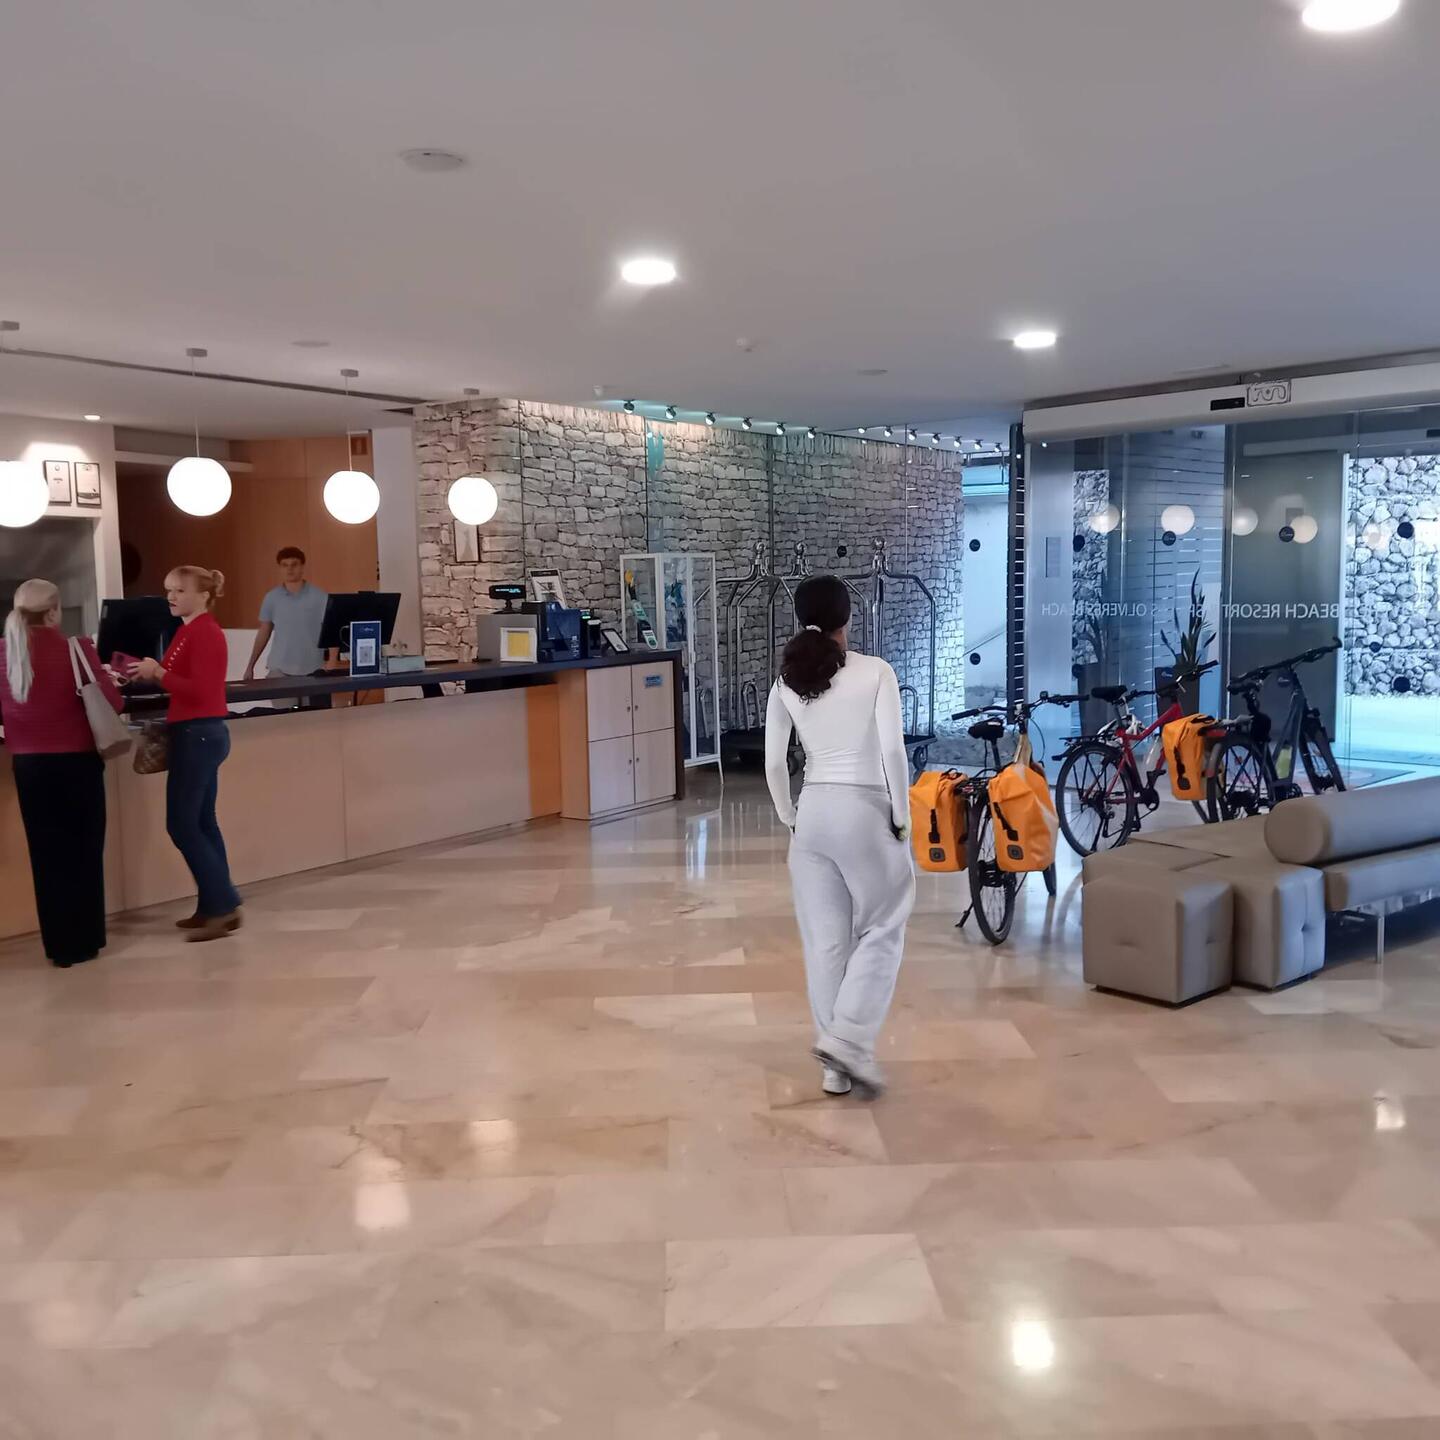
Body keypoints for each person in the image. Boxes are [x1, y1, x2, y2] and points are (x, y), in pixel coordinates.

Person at [764, 574, 914, 1099]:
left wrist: (789, 816)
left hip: (813, 815)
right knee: (884, 924)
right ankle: (848, 1041)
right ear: (847, 617)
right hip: (865, 810)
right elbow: (893, 751)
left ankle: (835, 1066)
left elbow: (775, 764)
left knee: (826, 943)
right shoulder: (876, 671)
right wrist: (902, 815)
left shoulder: (786, 681)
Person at [0, 579, 123, 968]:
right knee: (84, 852)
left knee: (46, 857)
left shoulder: (3, 653)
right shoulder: (77, 649)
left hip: (29, 768)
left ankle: (59, 947)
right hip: (77, 764)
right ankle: (87, 940)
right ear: (53, 612)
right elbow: (114, 702)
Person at [130, 566, 242, 942]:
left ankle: (223, 904)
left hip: (199, 734)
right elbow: (177, 677)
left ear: (204, 595)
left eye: (179, 590)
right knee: (203, 822)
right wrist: (148, 672)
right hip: (196, 733)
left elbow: (201, 690)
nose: (171, 597)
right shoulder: (186, 630)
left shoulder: (205, 632)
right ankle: (214, 905)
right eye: (169, 590)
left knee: (181, 824)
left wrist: (159, 674)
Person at [243, 546, 328, 696]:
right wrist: (250, 665)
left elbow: (330, 628)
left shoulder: (319, 596)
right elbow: (264, 632)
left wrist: (332, 661)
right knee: (283, 710)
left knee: (316, 710)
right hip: (280, 668)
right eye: (284, 565)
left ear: (302, 567)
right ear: (280, 568)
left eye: (294, 564)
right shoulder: (271, 598)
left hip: (313, 669)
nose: (289, 569)